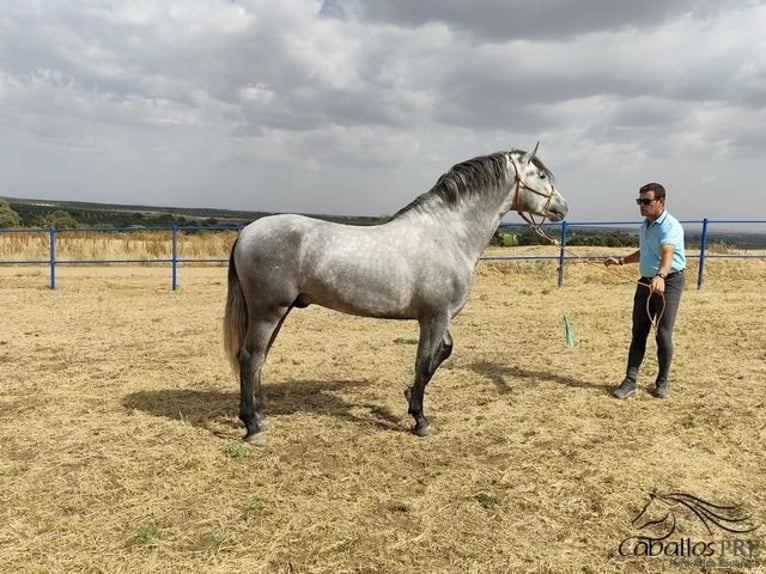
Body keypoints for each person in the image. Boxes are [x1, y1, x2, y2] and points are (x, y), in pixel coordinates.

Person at [604, 182, 686, 399]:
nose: (641, 205)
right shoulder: (646, 226)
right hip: (645, 283)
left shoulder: (670, 226)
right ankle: (630, 381)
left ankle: (662, 381)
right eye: (639, 201)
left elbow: (667, 253)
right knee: (639, 331)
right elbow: (645, 251)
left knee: (663, 333)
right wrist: (621, 261)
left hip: (668, 283)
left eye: (646, 201)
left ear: (661, 201)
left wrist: (660, 276)